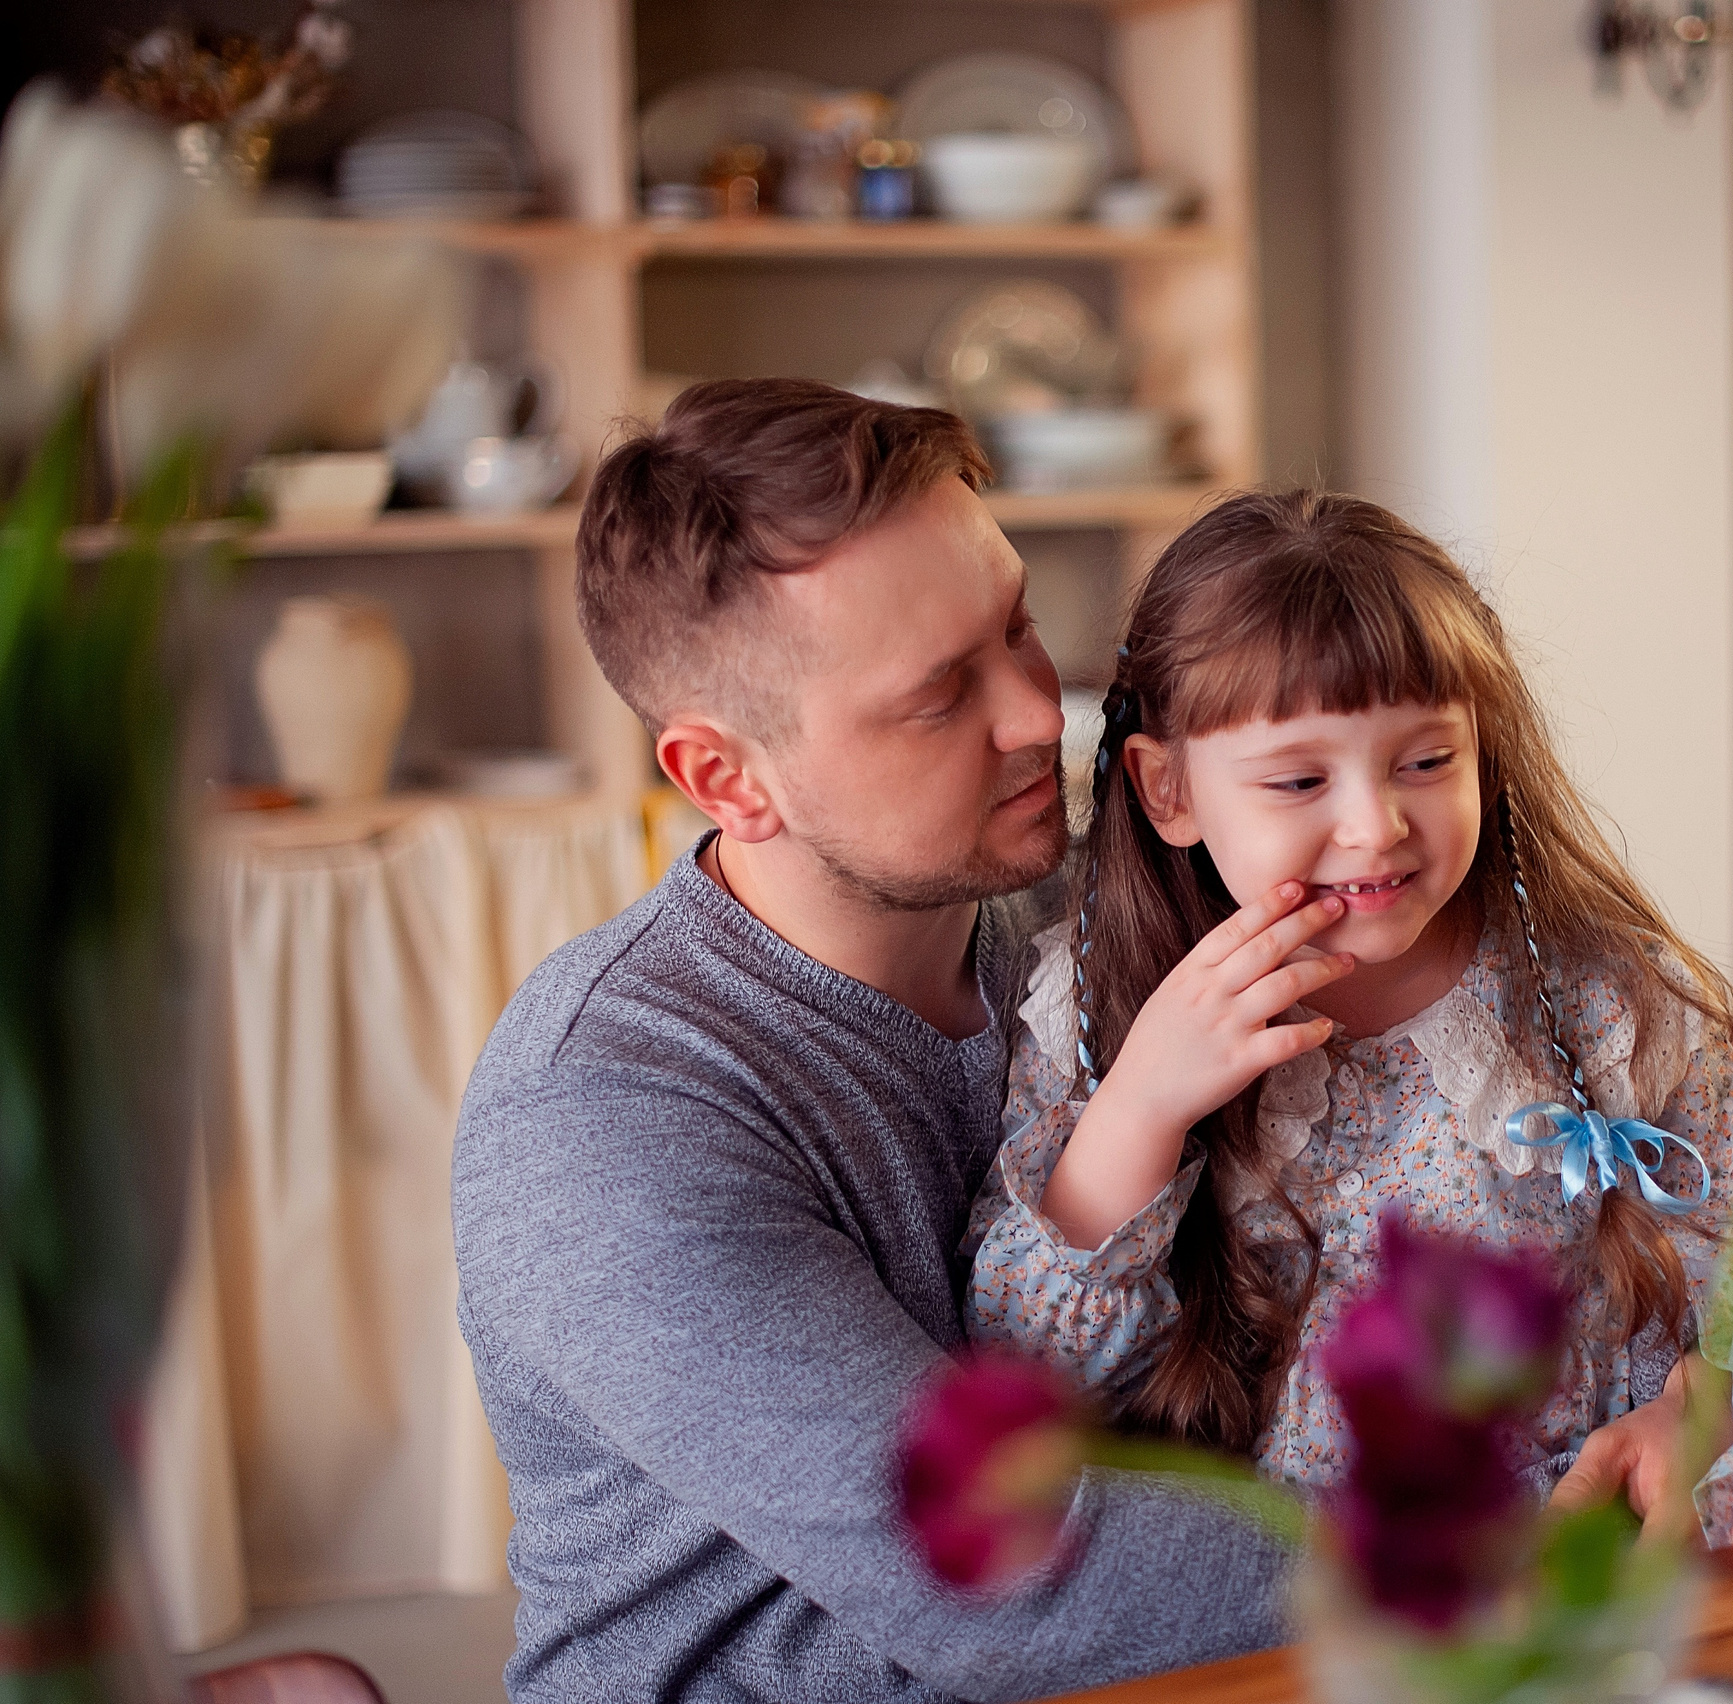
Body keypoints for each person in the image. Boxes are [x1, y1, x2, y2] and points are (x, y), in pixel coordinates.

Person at [450, 381, 1297, 1702]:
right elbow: (999, 1566)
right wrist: (1490, 1567)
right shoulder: (603, 1110)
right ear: (727, 779)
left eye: (1015, 624)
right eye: (939, 694)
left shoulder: (1062, 934)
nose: (1035, 713)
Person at [968, 490, 1733, 1576]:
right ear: (1169, 790)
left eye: (1425, 761)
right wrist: (1139, 1108)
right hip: (1286, 1627)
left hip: (1590, 1593)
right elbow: (1023, 1386)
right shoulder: (1089, 1017)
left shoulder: (1605, 1007)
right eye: (1298, 779)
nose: (1376, 824)